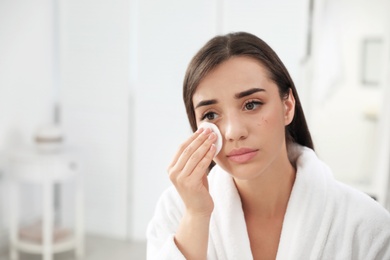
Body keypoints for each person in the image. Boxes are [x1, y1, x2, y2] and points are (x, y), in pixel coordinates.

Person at [146, 32, 390, 259]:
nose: (234, 132)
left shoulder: (366, 224)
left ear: (287, 106)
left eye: (251, 104)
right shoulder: (176, 212)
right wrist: (196, 216)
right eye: (210, 115)